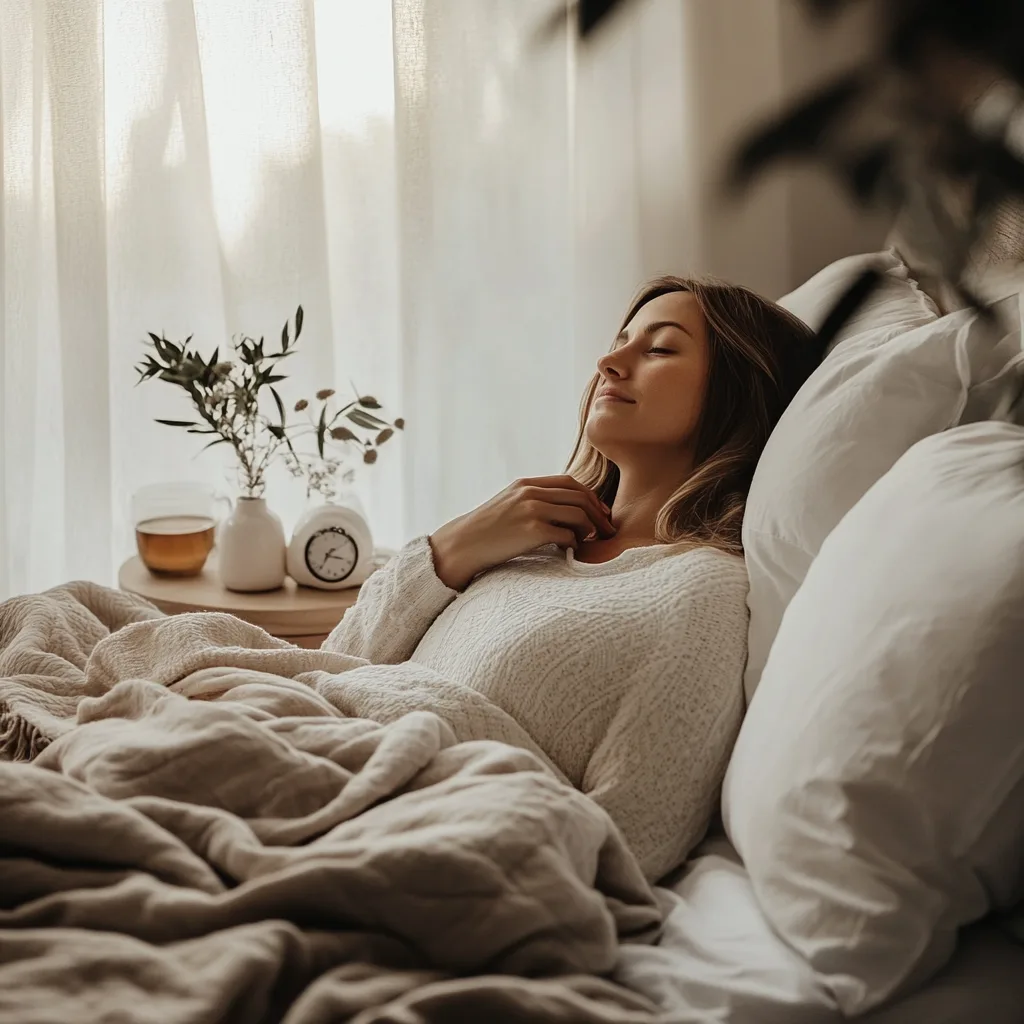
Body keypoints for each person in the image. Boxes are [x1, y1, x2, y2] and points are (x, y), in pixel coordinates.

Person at [323, 276, 817, 881]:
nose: (609, 362)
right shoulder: (521, 540)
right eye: (619, 340)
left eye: (658, 349)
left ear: (736, 395)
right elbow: (336, 668)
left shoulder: (699, 593)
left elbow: (632, 840)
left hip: (397, 832)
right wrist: (452, 548)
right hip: (312, 750)